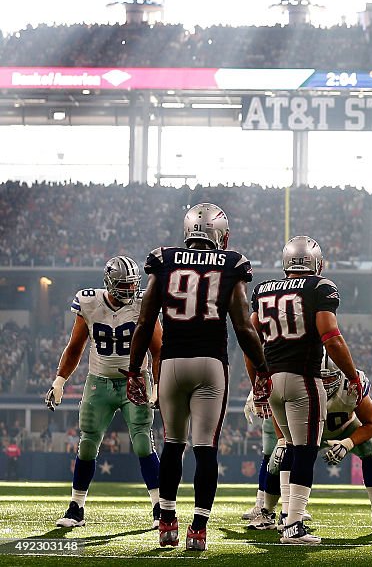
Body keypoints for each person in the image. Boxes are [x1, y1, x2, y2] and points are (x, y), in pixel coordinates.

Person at [124, 202, 271, 551]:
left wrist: (133, 370)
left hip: (172, 363)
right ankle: (198, 530)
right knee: (206, 449)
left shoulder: (164, 258)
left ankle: (168, 524)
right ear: (221, 234)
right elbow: (242, 325)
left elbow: (145, 322)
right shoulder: (231, 262)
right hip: (210, 362)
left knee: (173, 445)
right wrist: (263, 369)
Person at [249, 235, 362, 544]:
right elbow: (331, 336)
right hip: (303, 379)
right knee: (305, 451)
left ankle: (283, 515)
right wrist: (352, 375)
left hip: (272, 380)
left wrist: (256, 382)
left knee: (287, 445)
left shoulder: (262, 291)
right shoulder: (319, 287)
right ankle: (293, 525)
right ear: (316, 262)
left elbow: (251, 343)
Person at [48, 256, 163, 529]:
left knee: (143, 443)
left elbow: (158, 348)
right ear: (109, 283)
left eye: (133, 285)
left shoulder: (142, 303)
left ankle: (160, 507)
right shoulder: (89, 302)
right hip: (98, 381)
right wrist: (60, 380)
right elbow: (75, 346)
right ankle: (76, 507)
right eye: (124, 285)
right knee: (87, 443)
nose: (130, 290)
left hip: (134, 382)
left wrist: (157, 385)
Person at [317, 362, 372, 533]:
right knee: (281, 457)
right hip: (310, 433)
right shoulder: (299, 382)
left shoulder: (350, 383)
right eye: (321, 378)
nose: (325, 383)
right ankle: (273, 510)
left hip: (346, 428)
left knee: (370, 446)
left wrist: (348, 443)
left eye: (329, 378)